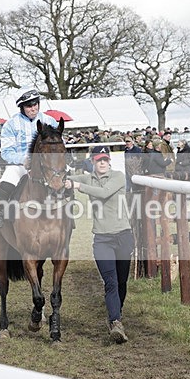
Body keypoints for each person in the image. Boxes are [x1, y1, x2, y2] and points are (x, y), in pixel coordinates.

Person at [65, 145, 134, 344]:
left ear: (109, 161)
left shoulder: (118, 176)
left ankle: (117, 313)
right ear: (93, 162)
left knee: (121, 281)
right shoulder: (88, 178)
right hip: (102, 239)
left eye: (105, 159)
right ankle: (115, 322)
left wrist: (78, 186)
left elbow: (104, 193)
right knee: (110, 282)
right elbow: (64, 180)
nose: (102, 163)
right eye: (98, 160)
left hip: (123, 236)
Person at [0, 88, 58, 228]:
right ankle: (1, 212)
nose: (33, 108)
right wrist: (24, 159)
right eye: (29, 106)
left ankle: (69, 213)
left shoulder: (49, 121)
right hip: (20, 166)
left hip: (46, 165)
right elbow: (6, 152)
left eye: (35, 104)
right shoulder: (10, 124)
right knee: (7, 180)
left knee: (66, 177)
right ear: (22, 107)